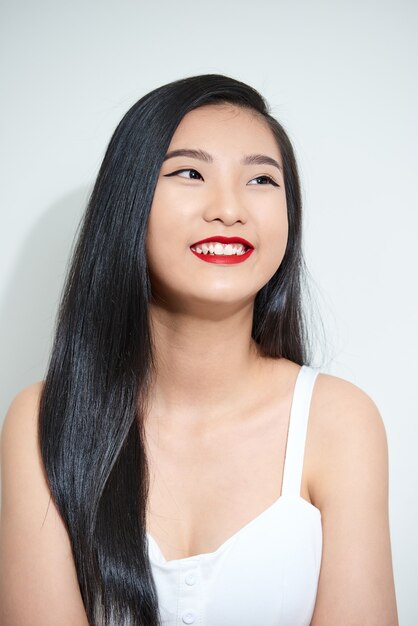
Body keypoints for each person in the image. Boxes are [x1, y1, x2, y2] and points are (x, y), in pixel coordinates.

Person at [0, 74, 398, 626]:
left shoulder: (339, 421)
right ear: (129, 201)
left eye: (261, 179)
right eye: (190, 172)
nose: (229, 209)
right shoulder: (43, 421)